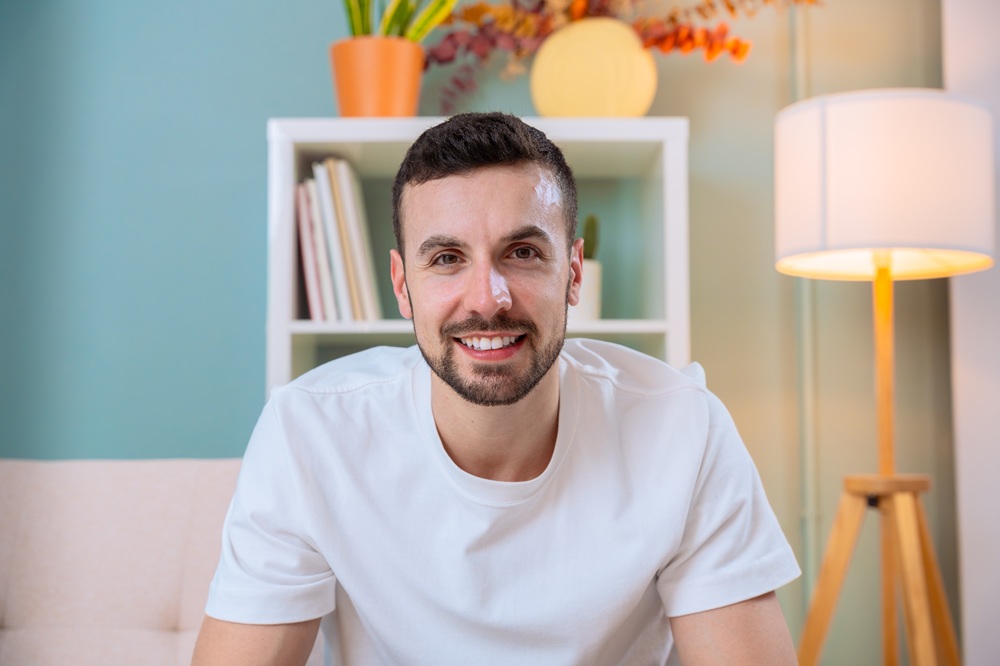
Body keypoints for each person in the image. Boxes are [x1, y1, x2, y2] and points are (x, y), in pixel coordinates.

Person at [192, 112, 800, 665]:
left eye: (523, 252)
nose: (488, 299)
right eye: (448, 258)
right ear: (403, 285)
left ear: (573, 271)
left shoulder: (683, 430)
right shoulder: (308, 434)